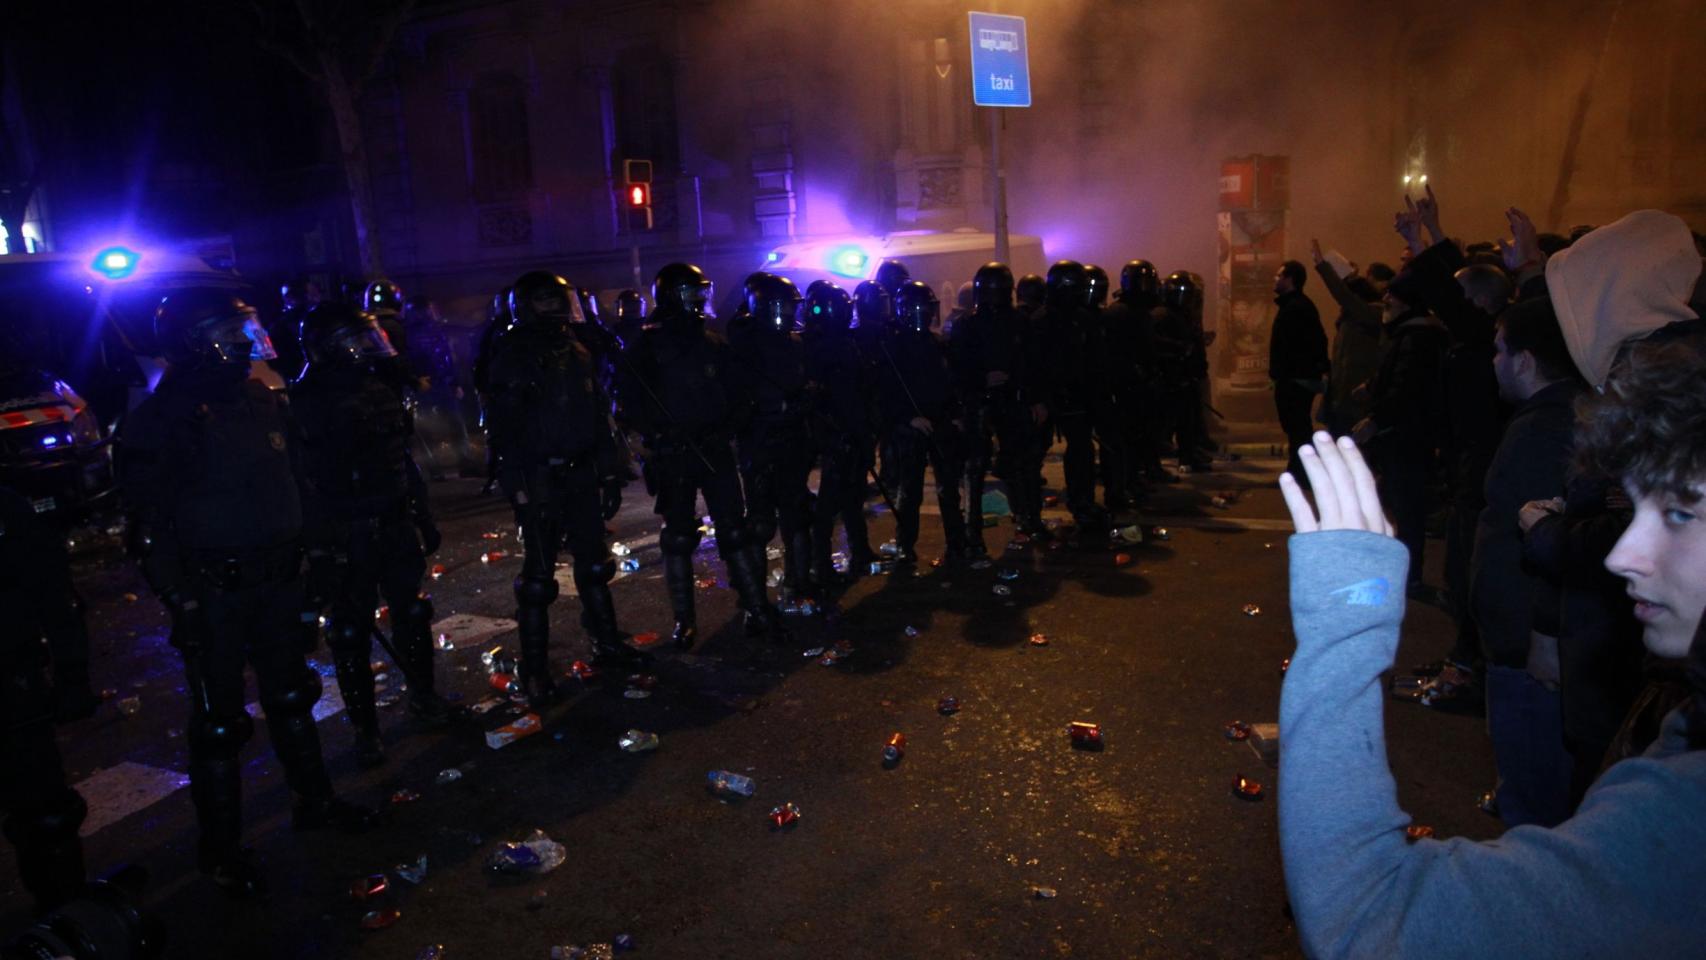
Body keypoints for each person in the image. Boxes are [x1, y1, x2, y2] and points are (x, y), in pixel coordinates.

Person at [1275, 329, 1706, 957]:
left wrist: (1348, 618)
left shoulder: (1689, 815)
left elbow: (1367, 920)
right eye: (1635, 509)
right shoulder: (1687, 721)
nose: (1622, 555)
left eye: (1679, 514)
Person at [117, 288, 378, 897]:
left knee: (293, 695)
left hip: (279, 577)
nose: (242, 344)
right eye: (224, 332)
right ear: (188, 339)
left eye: (243, 332)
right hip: (216, 590)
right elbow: (149, 524)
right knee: (218, 724)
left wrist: (317, 554)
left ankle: (315, 803)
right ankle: (221, 849)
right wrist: (180, 599)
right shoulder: (162, 418)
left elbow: (297, 483)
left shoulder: (260, 400)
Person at [293, 302, 456, 768]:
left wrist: (421, 513)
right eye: (354, 341)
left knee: (411, 612)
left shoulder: (378, 388)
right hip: (346, 532)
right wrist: (317, 547)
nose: (366, 349)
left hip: (393, 520)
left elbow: (400, 459)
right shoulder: (306, 402)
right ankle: (366, 732)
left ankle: (423, 697)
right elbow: (302, 481)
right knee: (350, 631)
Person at [485, 272, 644, 699]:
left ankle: (607, 642)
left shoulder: (576, 350)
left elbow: (597, 415)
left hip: (578, 470)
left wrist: (609, 472)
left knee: (594, 564)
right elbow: (504, 430)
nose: (555, 308)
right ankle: (536, 670)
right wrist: (517, 485)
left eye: (559, 300)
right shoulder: (513, 356)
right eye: (544, 301)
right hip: (538, 473)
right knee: (538, 578)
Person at [615, 263, 785, 648]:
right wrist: (659, 433)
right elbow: (629, 401)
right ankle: (684, 620)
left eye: (700, 292)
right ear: (673, 294)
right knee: (677, 537)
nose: (699, 300)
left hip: (712, 448)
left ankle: (757, 608)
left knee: (735, 530)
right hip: (673, 453)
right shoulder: (646, 346)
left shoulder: (712, 342)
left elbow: (740, 394)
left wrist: (724, 429)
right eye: (691, 292)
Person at [1470, 298, 1584, 826]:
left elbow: (1549, 541)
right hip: (1516, 640)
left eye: (1499, 350)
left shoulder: (1546, 429)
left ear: (1525, 359)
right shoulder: (1544, 418)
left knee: (1535, 805)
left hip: (1527, 650)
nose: (1492, 361)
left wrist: (1541, 634)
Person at [1, 485, 98, 912]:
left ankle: (66, 916)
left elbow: (51, 587)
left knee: (45, 811)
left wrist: (72, 671)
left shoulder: (7, 507)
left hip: (11, 680)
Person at [1352, 271, 1448, 594]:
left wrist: (1376, 419)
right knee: (1399, 503)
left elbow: (1406, 388)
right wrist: (1371, 388)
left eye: (1392, 295)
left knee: (1405, 507)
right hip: (1405, 435)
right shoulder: (1408, 334)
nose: (1385, 300)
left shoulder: (1416, 337)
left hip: (1407, 436)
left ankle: (1407, 575)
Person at [729, 273, 816, 608]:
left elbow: (805, 382)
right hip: (761, 441)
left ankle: (799, 581)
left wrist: (804, 401)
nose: (786, 313)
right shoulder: (745, 345)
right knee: (760, 522)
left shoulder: (794, 342)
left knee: (796, 515)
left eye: (788, 306)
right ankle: (754, 597)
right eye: (779, 306)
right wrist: (771, 406)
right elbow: (739, 396)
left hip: (793, 438)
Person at [876, 281, 967, 566]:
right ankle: (905, 544)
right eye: (919, 309)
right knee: (910, 490)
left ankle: (957, 543)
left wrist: (955, 415)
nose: (924, 315)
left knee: (948, 489)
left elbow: (951, 384)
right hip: (911, 428)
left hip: (940, 425)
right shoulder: (892, 347)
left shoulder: (937, 344)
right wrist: (908, 418)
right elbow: (885, 393)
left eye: (927, 309)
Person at [800, 281, 875, 587]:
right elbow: (819, 398)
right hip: (835, 433)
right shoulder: (817, 348)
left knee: (852, 496)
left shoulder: (845, 342)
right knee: (830, 503)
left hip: (853, 428)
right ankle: (821, 564)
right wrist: (834, 434)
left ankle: (860, 551)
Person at [1307, 241, 1382, 437]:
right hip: (1341, 402)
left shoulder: (1371, 314)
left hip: (1357, 403)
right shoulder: (1350, 322)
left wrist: (1323, 267)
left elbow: (1344, 296)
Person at [1267, 259, 1328, 482]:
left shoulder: (1296, 308)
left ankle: (1300, 471)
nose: (1275, 279)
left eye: (1279, 275)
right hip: (1296, 377)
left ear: (1290, 279)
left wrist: (1286, 372)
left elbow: (1303, 343)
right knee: (1296, 426)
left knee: (1297, 427)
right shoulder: (1297, 305)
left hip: (1296, 379)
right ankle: (1298, 469)